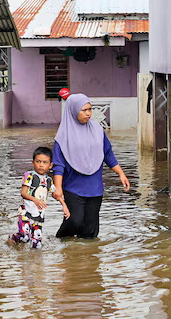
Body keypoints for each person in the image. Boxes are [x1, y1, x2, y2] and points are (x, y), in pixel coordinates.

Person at [52, 93, 130, 239]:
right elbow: (58, 164)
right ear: (73, 111)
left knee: (90, 231)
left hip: (95, 188)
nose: (88, 113)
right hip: (73, 188)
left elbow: (107, 153)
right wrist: (58, 188)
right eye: (84, 110)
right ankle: (61, 245)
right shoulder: (63, 136)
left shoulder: (97, 130)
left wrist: (121, 174)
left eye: (90, 109)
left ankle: (87, 253)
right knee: (74, 221)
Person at [10, 146, 70, 249]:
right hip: (25, 213)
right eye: (38, 161)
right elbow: (23, 193)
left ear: (50, 165)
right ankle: (13, 238)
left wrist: (64, 205)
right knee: (24, 237)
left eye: (45, 162)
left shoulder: (49, 180)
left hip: (39, 216)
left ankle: (34, 259)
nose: (41, 165)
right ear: (33, 162)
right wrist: (35, 200)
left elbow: (55, 194)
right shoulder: (29, 175)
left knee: (36, 245)